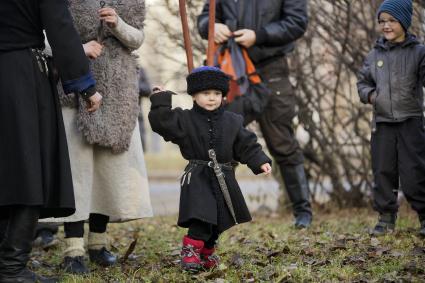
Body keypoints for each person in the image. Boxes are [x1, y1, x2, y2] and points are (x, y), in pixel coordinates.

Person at [41, 1, 153, 274]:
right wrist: (78, 50)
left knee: (108, 171)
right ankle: (73, 249)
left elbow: (137, 38)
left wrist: (118, 25)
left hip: (117, 92)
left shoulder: (130, 2)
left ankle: (98, 244)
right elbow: (42, 41)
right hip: (71, 91)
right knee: (77, 171)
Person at [0, 0, 102, 281]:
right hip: (19, 76)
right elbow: (60, 28)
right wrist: (85, 85)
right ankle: (10, 268)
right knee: (28, 167)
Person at [197, 0, 312, 228]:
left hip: (272, 68)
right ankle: (217, 214)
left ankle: (303, 213)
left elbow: (298, 22)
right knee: (223, 143)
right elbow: (204, 19)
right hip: (231, 68)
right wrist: (211, 26)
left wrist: (259, 35)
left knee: (283, 143)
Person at [149, 66, 272, 271]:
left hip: (224, 176)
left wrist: (259, 160)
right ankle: (190, 251)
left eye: (217, 93)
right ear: (195, 95)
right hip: (198, 176)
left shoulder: (232, 120)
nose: (212, 98)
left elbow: (246, 143)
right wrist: (160, 99)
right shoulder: (185, 119)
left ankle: (206, 253)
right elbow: (163, 123)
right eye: (206, 93)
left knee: (219, 219)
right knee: (202, 215)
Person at [357, 0, 425, 236]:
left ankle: (424, 216)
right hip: (383, 123)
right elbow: (362, 82)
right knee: (383, 171)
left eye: (392, 20)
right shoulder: (374, 54)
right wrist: (372, 96)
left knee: (414, 172)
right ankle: (386, 218)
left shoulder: (418, 52)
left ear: (404, 22)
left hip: (411, 120)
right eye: (382, 21)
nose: (386, 26)